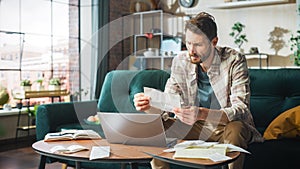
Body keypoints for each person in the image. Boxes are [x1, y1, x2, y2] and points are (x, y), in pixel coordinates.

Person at [133, 12, 263, 169]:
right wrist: (149, 107)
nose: (191, 51)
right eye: (188, 43)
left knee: (236, 128)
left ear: (214, 42)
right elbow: (169, 103)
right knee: (154, 127)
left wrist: (202, 113)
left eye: (198, 45)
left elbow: (241, 109)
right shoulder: (180, 61)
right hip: (192, 126)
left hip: (225, 127)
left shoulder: (234, 60)